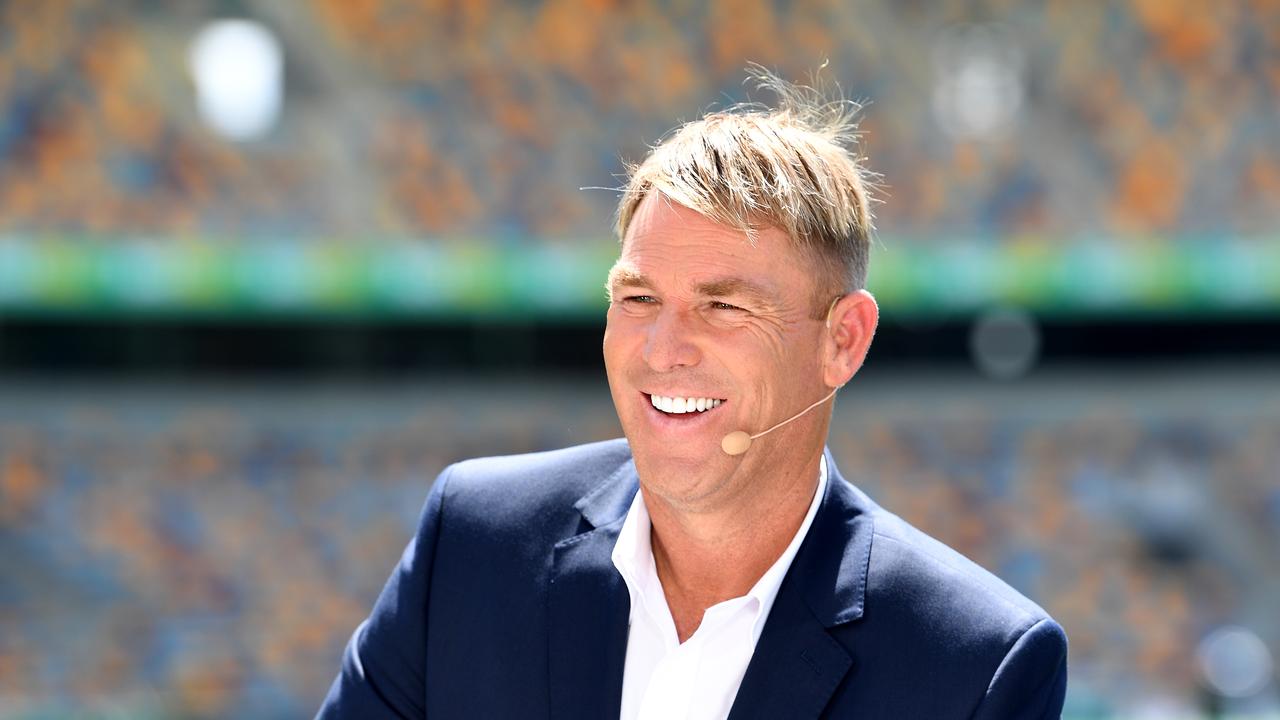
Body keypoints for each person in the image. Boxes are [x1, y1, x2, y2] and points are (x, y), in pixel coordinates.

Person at [316, 69, 1068, 719]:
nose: (662, 349)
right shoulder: (474, 544)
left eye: (724, 306)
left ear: (843, 341)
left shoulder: (976, 664)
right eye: (638, 298)